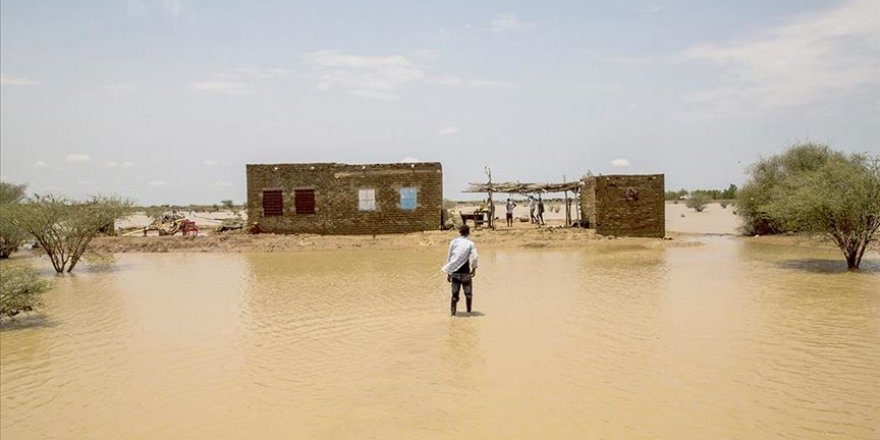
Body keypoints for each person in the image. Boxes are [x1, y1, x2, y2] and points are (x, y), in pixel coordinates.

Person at [441, 224, 479, 316]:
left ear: (459, 232)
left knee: (454, 295)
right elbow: (475, 258)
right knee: (468, 294)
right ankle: (469, 313)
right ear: (468, 233)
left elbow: (450, 257)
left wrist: (449, 272)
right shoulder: (470, 244)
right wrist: (474, 269)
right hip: (466, 272)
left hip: (455, 272)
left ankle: (453, 314)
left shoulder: (453, 242)